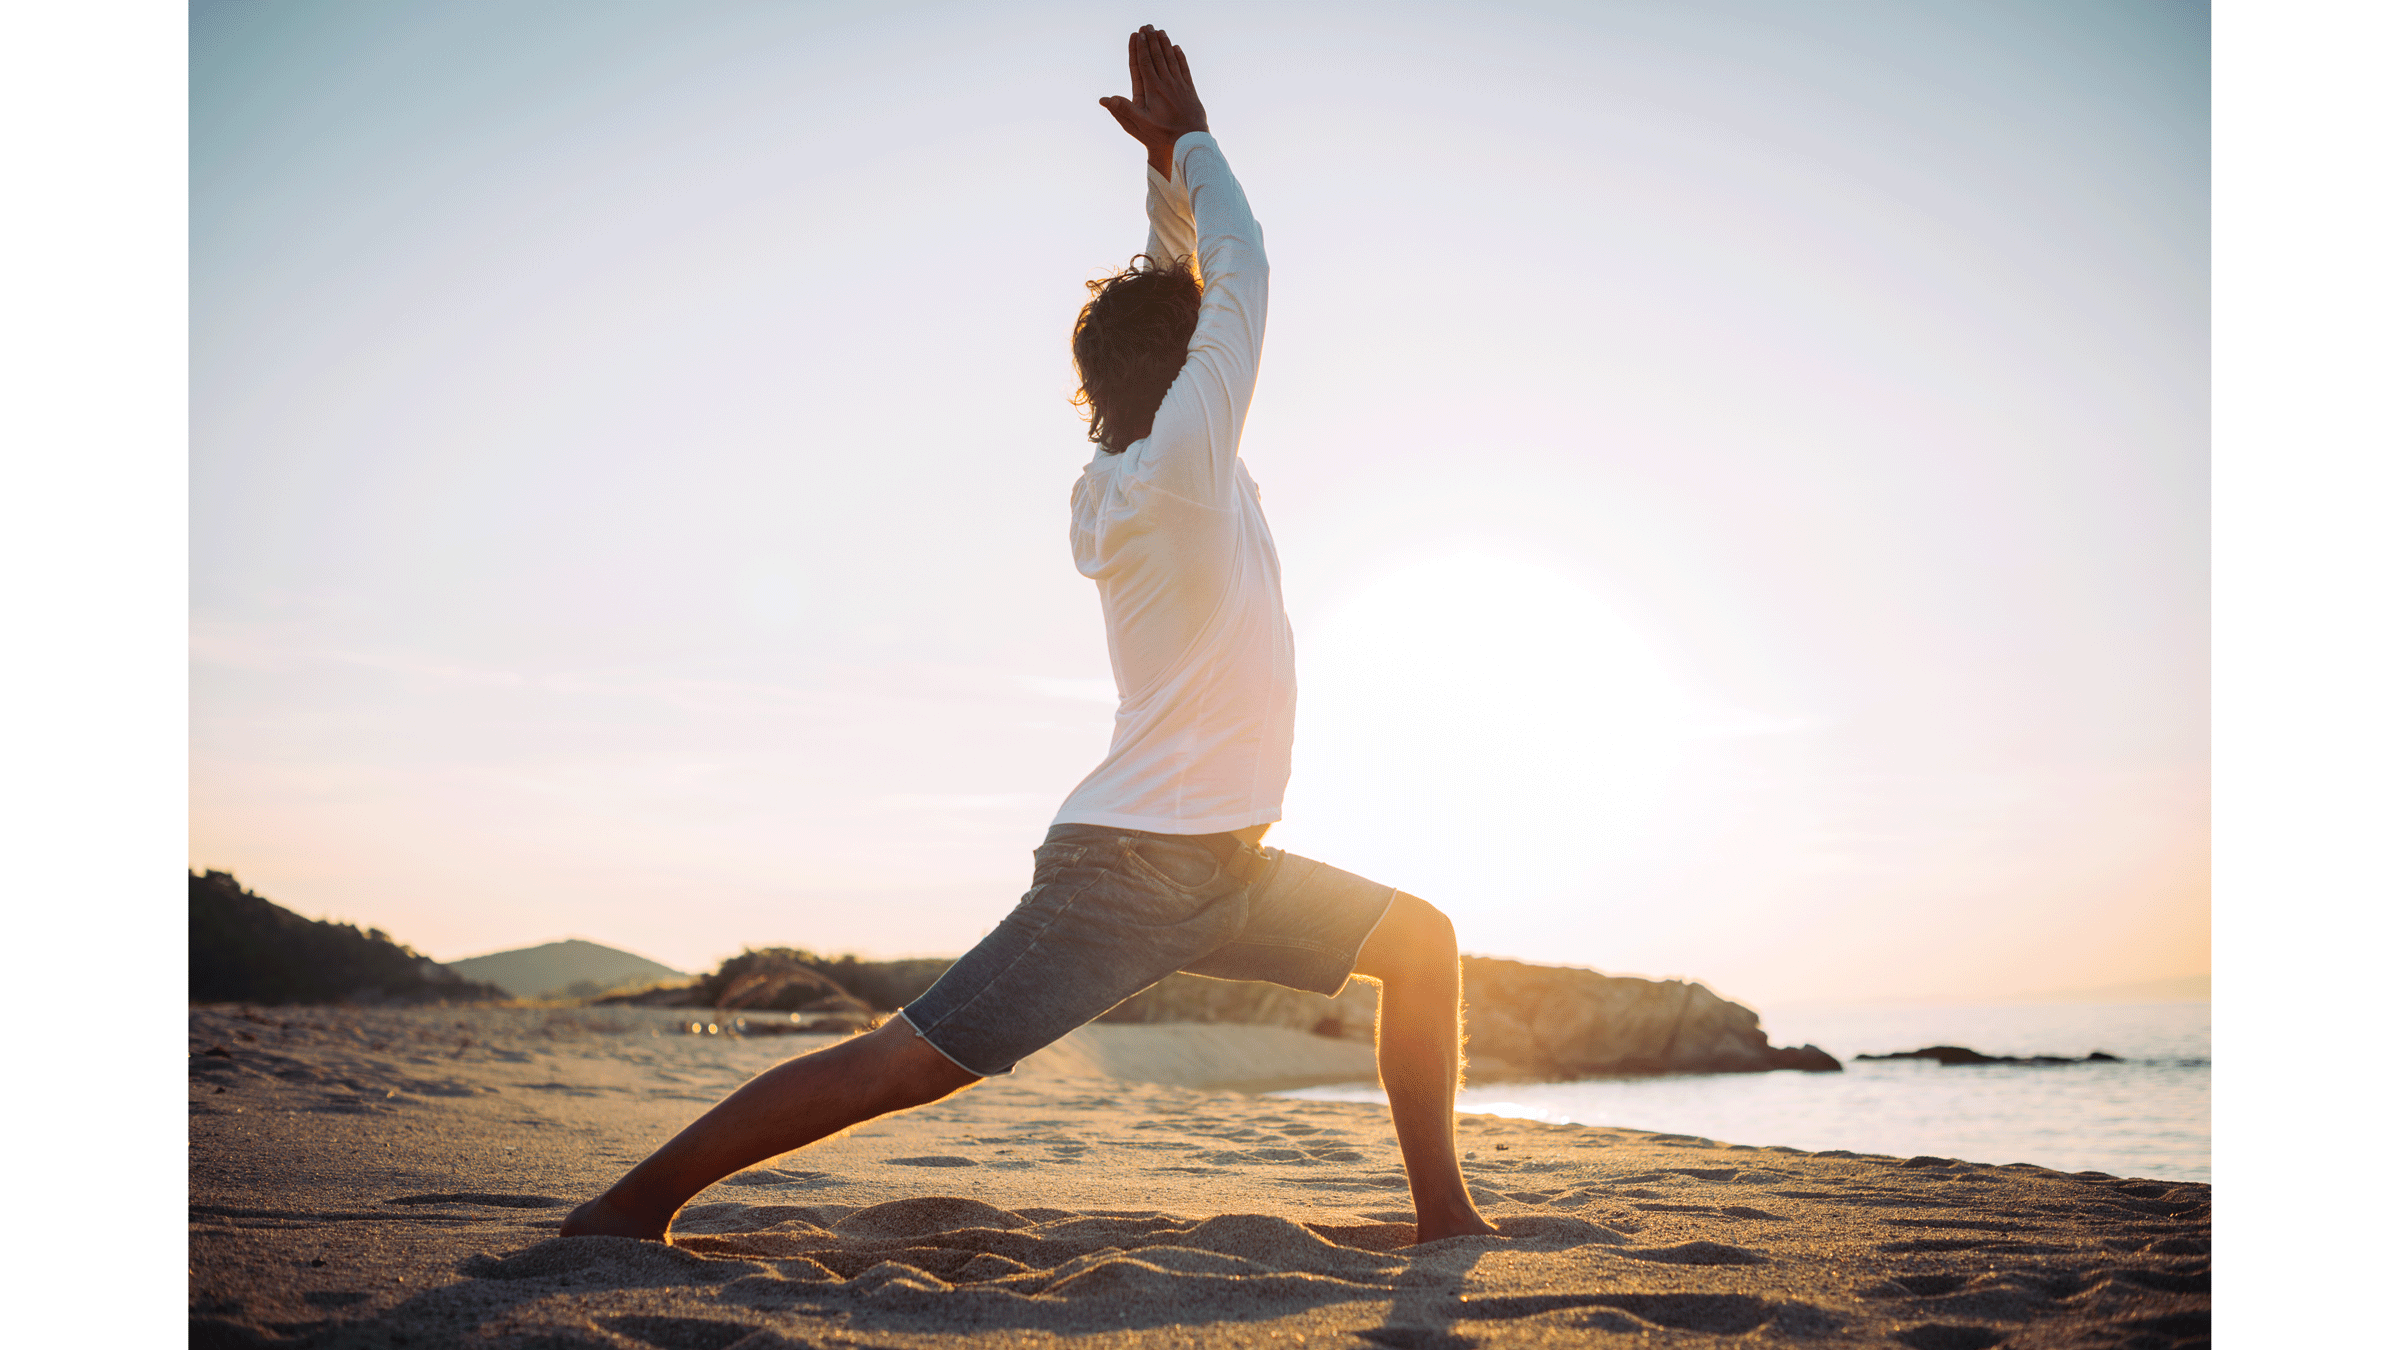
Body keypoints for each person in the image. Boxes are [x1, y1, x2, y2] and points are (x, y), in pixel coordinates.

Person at [562, 25, 1499, 1248]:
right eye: (1206, 347)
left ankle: (1446, 1218)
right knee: (909, 1063)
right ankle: (628, 1209)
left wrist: (1165, 172)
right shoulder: (1176, 481)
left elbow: (1188, 299)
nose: (1230, 351)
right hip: (1126, 875)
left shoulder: (1140, 465)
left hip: (1223, 866)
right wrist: (1199, 139)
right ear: (1186, 376)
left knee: (1419, 944)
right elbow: (1246, 273)